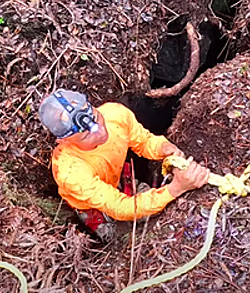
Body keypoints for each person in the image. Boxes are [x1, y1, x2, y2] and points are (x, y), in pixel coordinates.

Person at [38, 89, 209, 241]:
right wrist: (176, 188)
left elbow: (143, 141)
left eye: (97, 118)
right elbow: (120, 207)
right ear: (64, 141)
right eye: (85, 136)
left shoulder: (115, 114)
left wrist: (163, 148)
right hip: (92, 204)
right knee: (125, 240)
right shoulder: (69, 171)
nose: (100, 132)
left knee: (159, 212)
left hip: (118, 178)